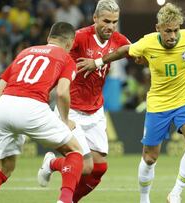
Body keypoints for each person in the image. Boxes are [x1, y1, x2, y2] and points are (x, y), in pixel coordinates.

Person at [76, 3, 185, 203]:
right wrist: (97, 62)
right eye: (168, 31)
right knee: (150, 158)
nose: (172, 36)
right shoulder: (147, 43)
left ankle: (176, 193)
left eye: (176, 30)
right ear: (158, 28)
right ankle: (145, 199)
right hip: (158, 105)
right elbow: (125, 50)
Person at [0, 22, 83, 203]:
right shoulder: (67, 59)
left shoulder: (25, 52)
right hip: (32, 106)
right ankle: (65, 201)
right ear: (70, 43)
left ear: (48, 39)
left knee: (3, 168)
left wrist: (9, 116)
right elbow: (62, 92)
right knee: (75, 151)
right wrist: (66, 120)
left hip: (5, 105)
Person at [37, 1, 131, 202]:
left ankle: (58, 175)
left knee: (98, 169)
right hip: (70, 111)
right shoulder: (79, 37)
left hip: (95, 111)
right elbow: (54, 55)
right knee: (85, 165)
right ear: (95, 18)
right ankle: (61, 189)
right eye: (106, 21)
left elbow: (136, 53)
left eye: (115, 22)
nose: (111, 26)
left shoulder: (118, 39)